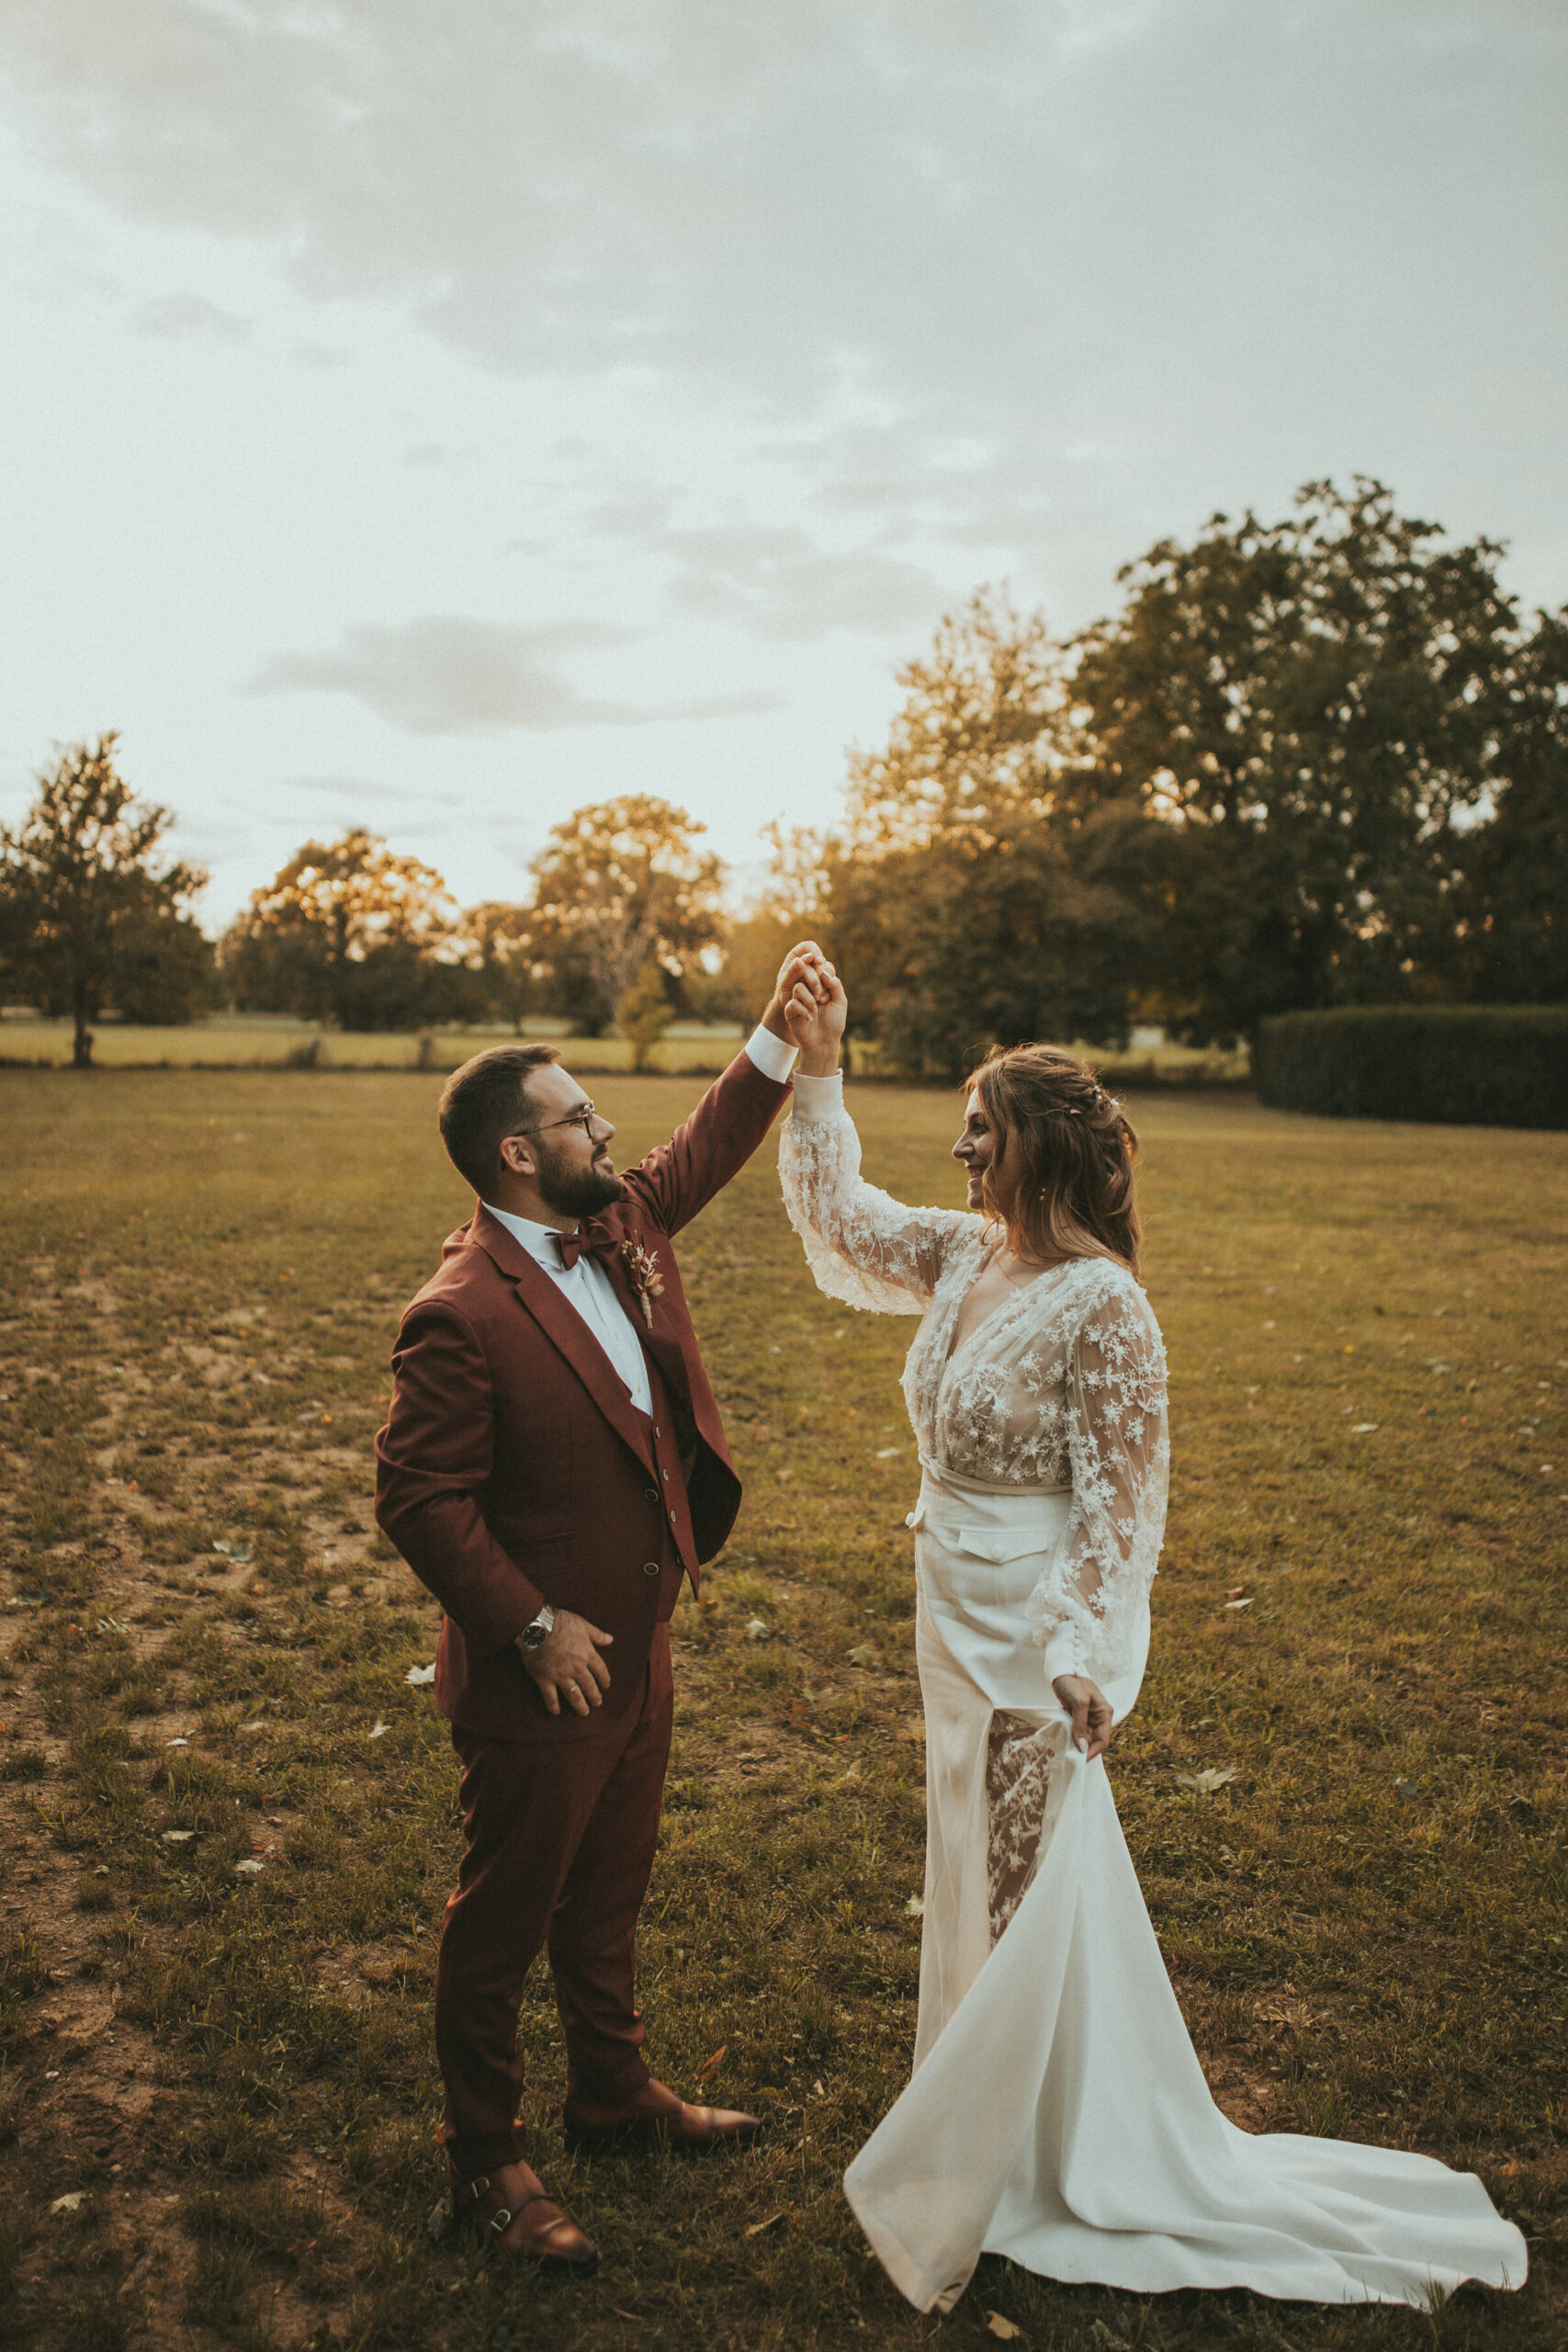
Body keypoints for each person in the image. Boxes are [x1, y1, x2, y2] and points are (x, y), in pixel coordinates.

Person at [776, 967, 1527, 2317]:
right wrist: (819, 1063)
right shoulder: (963, 1253)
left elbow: (1119, 1504)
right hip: (946, 1611)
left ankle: (1044, 2148)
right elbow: (842, 1220)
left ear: (1041, 1143)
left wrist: (1081, 1646)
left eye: (981, 1129)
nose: (960, 1151)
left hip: (1029, 1629)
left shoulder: (1105, 1304)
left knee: (1029, 1875)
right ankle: (981, 2111)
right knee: (969, 1853)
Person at [375, 946, 829, 2274]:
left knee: (610, 1890)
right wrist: (531, 1626)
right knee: (503, 1920)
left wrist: (776, 1033)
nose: (608, 1129)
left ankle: (613, 2096)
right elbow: (418, 1497)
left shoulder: (619, 1222)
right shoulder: (460, 1313)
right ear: (519, 1155)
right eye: (580, 1117)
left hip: (642, 1642)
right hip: (548, 1672)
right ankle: (485, 2163)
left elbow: (701, 1148)